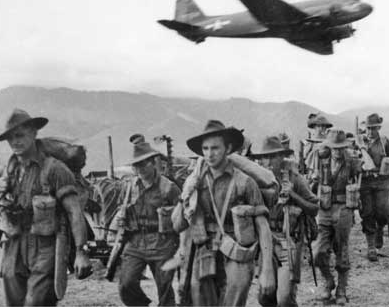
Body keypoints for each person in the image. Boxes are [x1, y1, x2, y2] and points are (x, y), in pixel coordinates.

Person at [0, 109, 91, 306]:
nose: (15, 142)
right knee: (14, 303)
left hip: (46, 246)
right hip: (14, 244)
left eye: (20, 135)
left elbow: (74, 212)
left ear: (34, 133)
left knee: (36, 302)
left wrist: (81, 252)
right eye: (10, 138)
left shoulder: (54, 169)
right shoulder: (7, 171)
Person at [172, 120, 275, 306]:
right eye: (205, 149)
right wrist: (185, 195)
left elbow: (263, 226)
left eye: (215, 148)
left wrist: (267, 271)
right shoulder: (195, 181)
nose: (209, 154)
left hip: (237, 251)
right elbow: (178, 225)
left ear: (228, 148)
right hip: (204, 250)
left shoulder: (245, 183)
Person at [253, 136, 318, 307]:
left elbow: (314, 207)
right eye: (264, 157)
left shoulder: (294, 179)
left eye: (273, 156)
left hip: (288, 241)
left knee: (284, 299)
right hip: (265, 242)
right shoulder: (255, 181)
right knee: (265, 296)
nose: (267, 161)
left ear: (281, 157)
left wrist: (293, 195)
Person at [116, 135, 181, 306]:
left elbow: (183, 217)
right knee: (125, 284)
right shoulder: (129, 186)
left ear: (153, 162)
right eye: (136, 165)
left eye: (144, 163)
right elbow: (121, 209)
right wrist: (122, 219)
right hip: (136, 242)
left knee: (165, 289)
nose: (140, 168)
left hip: (162, 243)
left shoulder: (169, 188)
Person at [312, 128, 360, 305]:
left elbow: (365, 174)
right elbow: (311, 182)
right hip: (324, 209)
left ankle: (341, 289)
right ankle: (328, 281)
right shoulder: (321, 159)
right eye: (335, 148)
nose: (338, 151)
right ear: (329, 147)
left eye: (341, 148)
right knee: (317, 252)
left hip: (343, 209)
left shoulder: (352, 161)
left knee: (342, 250)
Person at [359, 113, 389, 261]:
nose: (370, 131)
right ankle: (371, 247)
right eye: (368, 128)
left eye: (373, 128)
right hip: (366, 181)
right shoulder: (360, 142)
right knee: (367, 212)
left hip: (382, 181)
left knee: (382, 211)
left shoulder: (385, 142)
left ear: (378, 128)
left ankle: (380, 228)